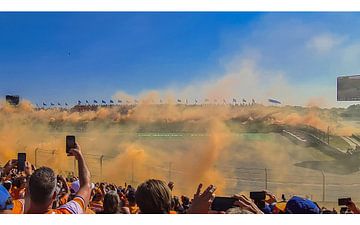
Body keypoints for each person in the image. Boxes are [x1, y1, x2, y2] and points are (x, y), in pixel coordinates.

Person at [25, 142, 91, 214]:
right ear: (54, 195)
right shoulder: (68, 212)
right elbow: (86, 185)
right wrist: (79, 156)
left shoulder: (16, 210)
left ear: (28, 191)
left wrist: (29, 175)